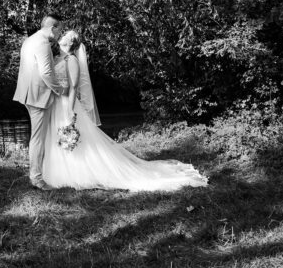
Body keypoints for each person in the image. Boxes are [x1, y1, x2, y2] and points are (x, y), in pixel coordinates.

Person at [41, 30, 208, 191]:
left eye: (65, 35)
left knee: (73, 136)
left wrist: (70, 110)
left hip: (66, 104)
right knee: (58, 136)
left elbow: (74, 87)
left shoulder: (71, 60)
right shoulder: (56, 58)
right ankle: (63, 170)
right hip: (55, 103)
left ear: (71, 41)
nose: (61, 36)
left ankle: (78, 172)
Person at [13, 14, 65, 190]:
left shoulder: (30, 40)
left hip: (28, 92)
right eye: (60, 30)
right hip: (38, 95)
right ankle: (36, 178)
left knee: (38, 136)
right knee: (38, 138)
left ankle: (43, 171)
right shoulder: (42, 43)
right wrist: (60, 90)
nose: (60, 34)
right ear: (53, 28)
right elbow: (46, 73)